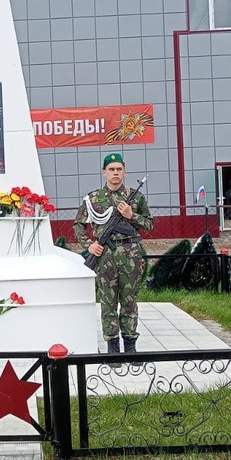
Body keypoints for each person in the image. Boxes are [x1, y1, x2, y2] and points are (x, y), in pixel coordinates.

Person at [73, 152, 154, 355]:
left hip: (130, 255)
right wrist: (89, 245)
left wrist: (131, 215)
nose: (115, 173)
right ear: (104, 172)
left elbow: (150, 224)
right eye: (111, 169)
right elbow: (78, 225)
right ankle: (112, 347)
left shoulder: (136, 197)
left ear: (124, 172)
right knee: (108, 302)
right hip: (105, 256)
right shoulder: (93, 198)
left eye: (119, 169)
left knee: (129, 301)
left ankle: (130, 346)